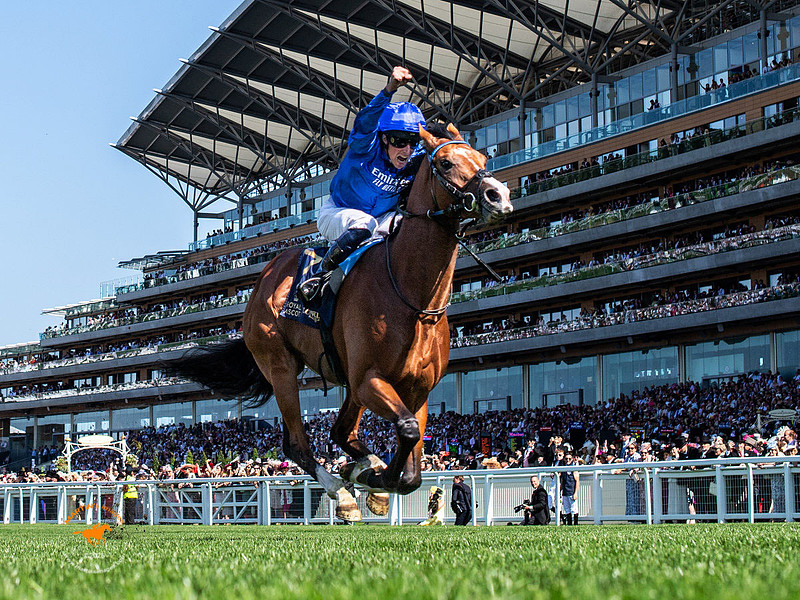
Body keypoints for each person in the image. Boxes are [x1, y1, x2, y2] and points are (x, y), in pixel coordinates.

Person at [299, 65, 426, 301]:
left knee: (412, 225)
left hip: (383, 219)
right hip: (337, 212)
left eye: (413, 142)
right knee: (365, 223)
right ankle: (320, 275)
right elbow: (365, 122)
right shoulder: (365, 147)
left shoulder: (416, 159)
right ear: (384, 138)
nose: (407, 150)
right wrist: (389, 90)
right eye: (400, 141)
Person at [560, 450, 580, 525]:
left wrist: (576, 493)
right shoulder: (563, 468)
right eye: (566, 459)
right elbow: (562, 481)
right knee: (566, 509)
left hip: (571, 491)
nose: (568, 460)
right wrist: (560, 491)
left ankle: (575, 524)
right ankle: (569, 524)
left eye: (569, 459)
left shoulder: (573, 468)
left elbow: (577, 481)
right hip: (565, 492)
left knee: (574, 509)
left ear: (572, 459)